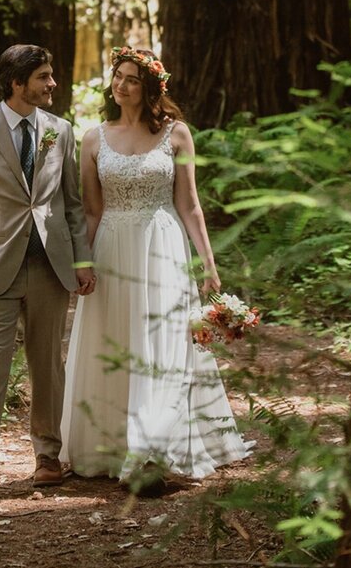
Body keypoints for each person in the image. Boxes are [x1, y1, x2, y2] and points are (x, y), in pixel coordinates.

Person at [60, 46, 253, 495]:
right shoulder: (93, 139)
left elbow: (190, 205)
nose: (121, 85)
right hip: (111, 247)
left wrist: (209, 264)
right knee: (116, 340)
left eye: (131, 78)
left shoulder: (177, 134)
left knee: (164, 345)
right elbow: (91, 211)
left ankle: (152, 453)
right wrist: (82, 264)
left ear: (151, 88)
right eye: (118, 76)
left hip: (163, 246)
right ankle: (109, 446)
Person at [0, 43, 95, 503]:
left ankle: (47, 457)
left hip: (50, 268)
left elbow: (71, 204)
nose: (53, 85)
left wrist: (82, 259)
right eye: (44, 77)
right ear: (17, 83)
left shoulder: (61, 131)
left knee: (48, 365)